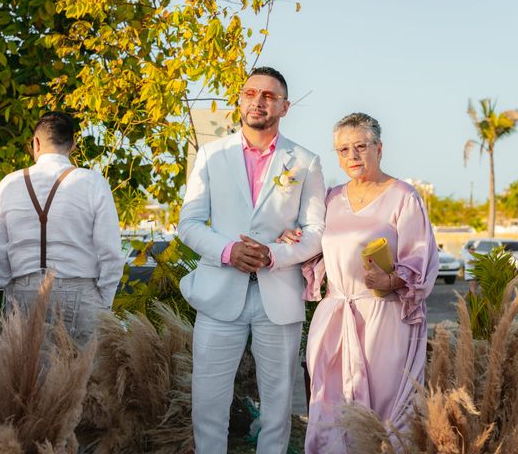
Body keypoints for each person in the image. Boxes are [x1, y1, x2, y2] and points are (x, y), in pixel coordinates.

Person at [178, 66, 326, 453]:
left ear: (285, 106)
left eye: (269, 96)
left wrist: (274, 255)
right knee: (208, 401)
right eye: (251, 93)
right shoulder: (211, 155)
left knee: (277, 407)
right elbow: (189, 224)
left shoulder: (305, 161)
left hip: (278, 296)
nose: (258, 101)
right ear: (240, 99)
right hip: (219, 293)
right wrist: (229, 251)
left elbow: (316, 231)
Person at [289, 112, 439, 453]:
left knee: (382, 410)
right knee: (329, 406)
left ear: (379, 148)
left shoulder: (404, 196)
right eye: (343, 150)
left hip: (383, 318)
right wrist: (294, 236)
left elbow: (421, 260)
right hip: (334, 317)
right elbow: (316, 247)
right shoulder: (330, 198)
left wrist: (389, 279)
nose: (352, 156)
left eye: (360, 147)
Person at [0, 111, 124, 346]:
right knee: (85, 380)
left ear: (36, 143)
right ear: (73, 144)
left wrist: (12, 288)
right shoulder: (93, 182)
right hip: (81, 291)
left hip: (25, 291)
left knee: (25, 379)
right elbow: (110, 251)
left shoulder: (7, 184)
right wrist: (103, 301)